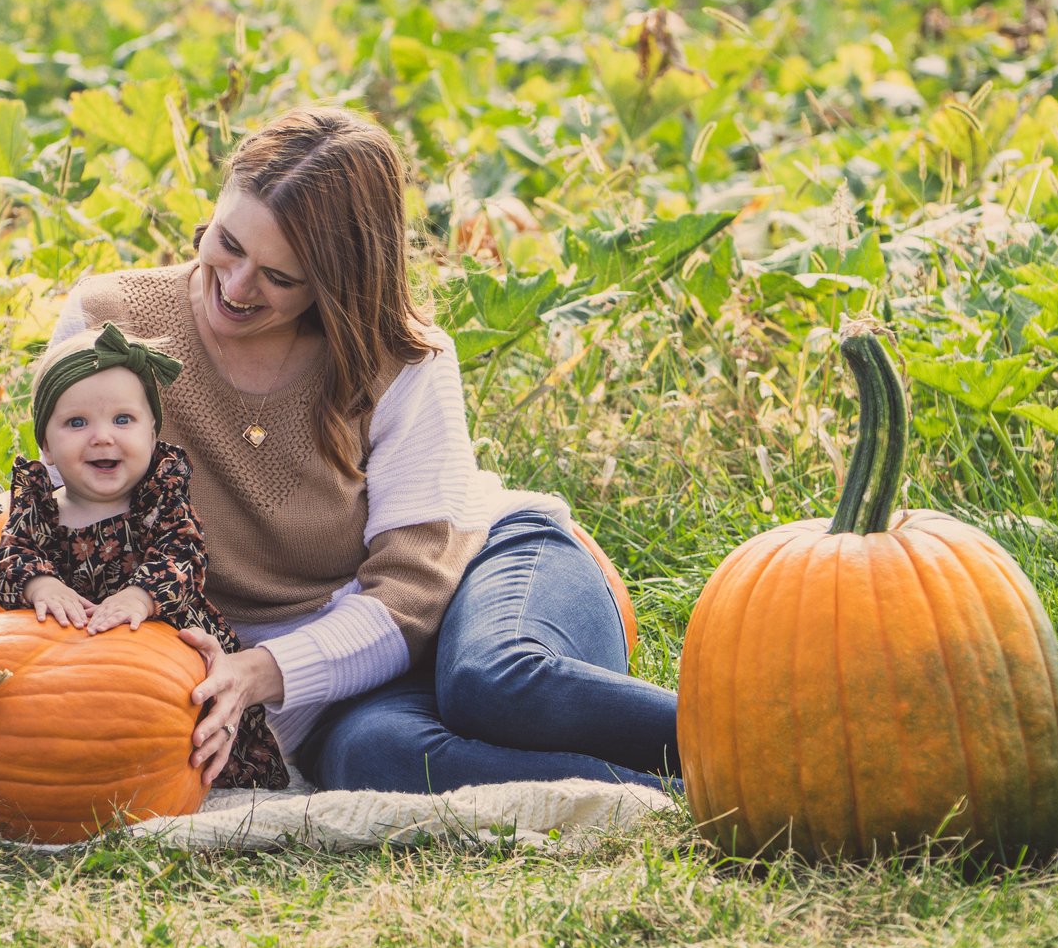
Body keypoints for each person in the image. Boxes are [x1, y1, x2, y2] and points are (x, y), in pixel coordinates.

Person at [49, 107, 678, 794]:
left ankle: (767, 751)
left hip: (483, 570)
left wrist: (263, 672)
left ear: (339, 278)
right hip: (347, 665)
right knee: (370, 758)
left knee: (490, 684)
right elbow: (75, 524)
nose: (235, 286)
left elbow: (411, 591)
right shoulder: (111, 326)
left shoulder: (401, 360)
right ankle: (688, 798)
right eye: (227, 243)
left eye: (280, 279)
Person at [0, 323, 286, 789]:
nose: (102, 437)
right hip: (69, 671)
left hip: (164, 666)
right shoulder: (39, 508)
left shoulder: (159, 499)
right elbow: (8, 559)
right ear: (45, 443)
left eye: (122, 420)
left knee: (184, 734)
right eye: (77, 423)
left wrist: (141, 597)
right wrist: (41, 584)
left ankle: (191, 775)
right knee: (68, 739)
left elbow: (183, 554)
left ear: (151, 433)